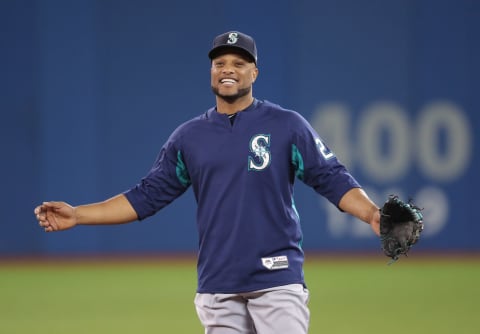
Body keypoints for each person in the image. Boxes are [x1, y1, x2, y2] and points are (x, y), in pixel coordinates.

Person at [34, 31, 381, 334]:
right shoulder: (189, 137)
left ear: (255, 72)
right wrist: (78, 215)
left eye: (239, 62)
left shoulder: (287, 125)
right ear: (212, 72)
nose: (228, 68)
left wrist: (371, 214)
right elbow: (146, 197)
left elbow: (330, 177)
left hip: (277, 279)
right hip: (218, 284)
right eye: (220, 62)